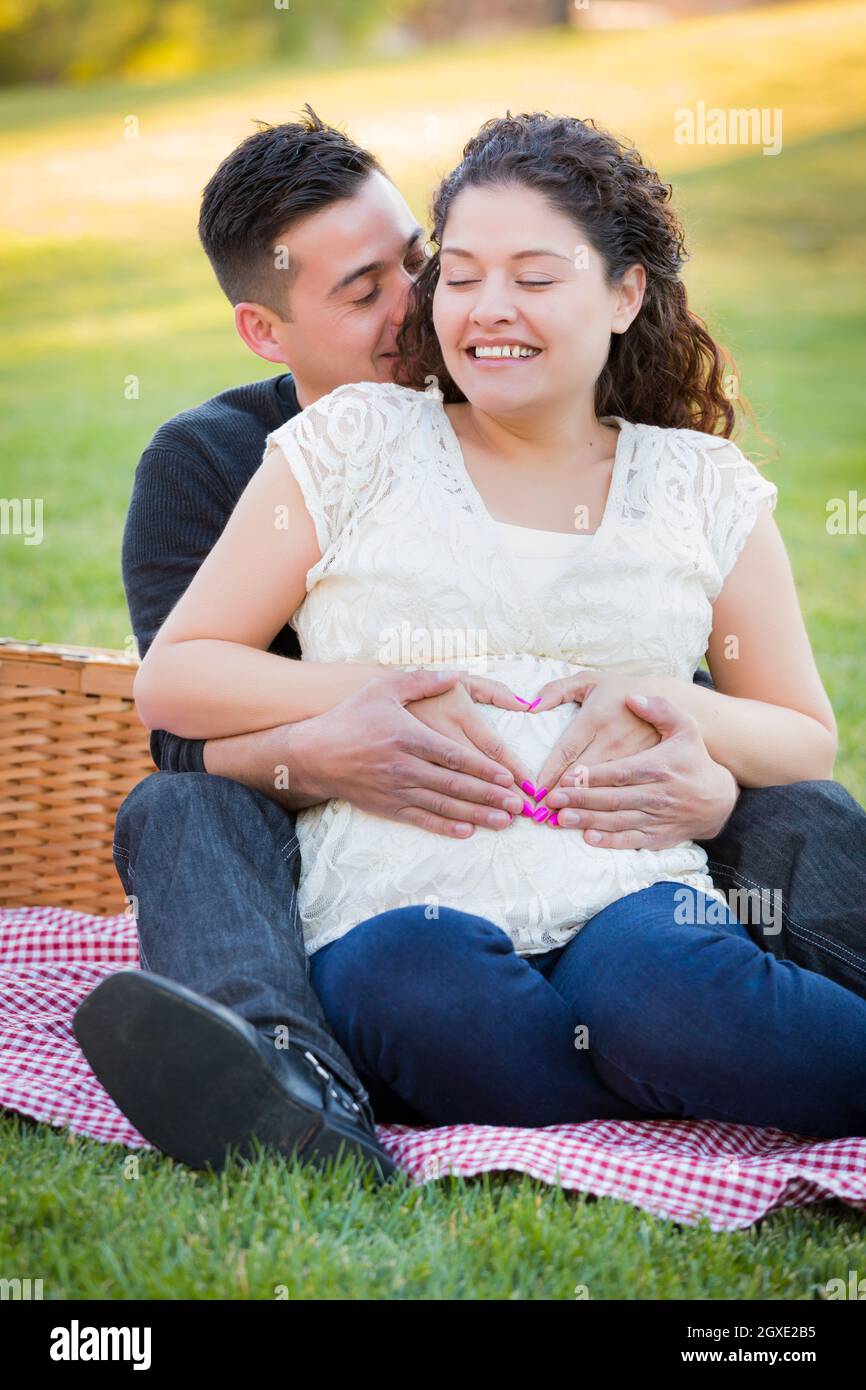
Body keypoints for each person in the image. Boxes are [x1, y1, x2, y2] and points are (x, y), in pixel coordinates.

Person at [74, 109, 866, 1180]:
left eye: (422, 264)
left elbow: (773, 725)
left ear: (623, 293)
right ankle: (283, 1076)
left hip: (621, 868)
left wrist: (683, 735)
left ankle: (663, 1046)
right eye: (376, 289)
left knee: (691, 945)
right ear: (269, 330)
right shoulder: (285, 452)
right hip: (379, 869)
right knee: (326, 916)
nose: (439, 307)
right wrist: (349, 722)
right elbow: (177, 700)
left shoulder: (683, 478)